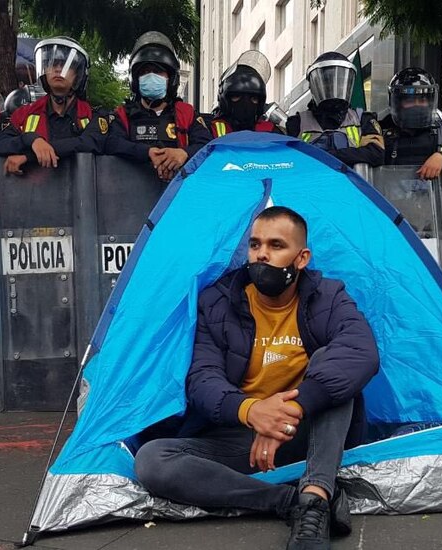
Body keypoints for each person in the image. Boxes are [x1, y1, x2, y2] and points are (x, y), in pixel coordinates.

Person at [134, 206, 379, 550]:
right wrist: (252, 412)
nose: (262, 253)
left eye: (277, 245)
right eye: (255, 244)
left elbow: (360, 352)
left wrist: (287, 414)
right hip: (244, 437)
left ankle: (315, 494)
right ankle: (289, 503)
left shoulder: (327, 295)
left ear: (302, 257)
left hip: (312, 432)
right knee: (152, 460)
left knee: (333, 366)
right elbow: (202, 378)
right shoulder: (218, 302)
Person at [106, 31, 212, 181]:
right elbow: (111, 143)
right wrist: (147, 152)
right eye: (145, 72)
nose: (151, 76)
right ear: (135, 80)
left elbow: (207, 145)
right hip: (130, 195)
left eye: (158, 71)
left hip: (178, 195)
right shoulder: (123, 114)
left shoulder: (186, 113)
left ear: (171, 78)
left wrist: (184, 153)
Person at [0, 36, 108, 175]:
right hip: (33, 193)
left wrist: (29, 156)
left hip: (82, 193)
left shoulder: (93, 115)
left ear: (78, 76)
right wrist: (31, 139)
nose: (59, 69)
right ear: (44, 71)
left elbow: (89, 143)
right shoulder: (25, 113)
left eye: (67, 65)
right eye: (53, 64)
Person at [286, 52, 384, 168]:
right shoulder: (297, 122)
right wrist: (353, 153)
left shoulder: (363, 119)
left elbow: (376, 154)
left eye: (339, 82)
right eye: (328, 83)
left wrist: (327, 155)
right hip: (312, 184)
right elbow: (291, 160)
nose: (334, 88)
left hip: (351, 184)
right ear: (314, 85)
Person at [378, 67, 442, 179]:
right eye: (410, 101)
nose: (417, 105)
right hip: (388, 193)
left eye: (422, 100)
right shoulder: (383, 131)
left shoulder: (440, 129)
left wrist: (441, 156)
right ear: (398, 103)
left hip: (432, 193)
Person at [202, 50, 283, 137]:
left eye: (254, 99)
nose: (245, 104)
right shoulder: (208, 129)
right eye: (236, 96)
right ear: (224, 100)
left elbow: (284, 149)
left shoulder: (270, 130)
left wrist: (291, 137)